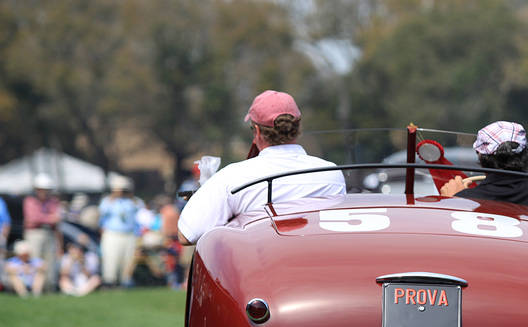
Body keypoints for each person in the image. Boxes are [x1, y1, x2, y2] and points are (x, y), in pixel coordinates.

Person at [178, 90, 346, 246]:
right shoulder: (331, 173)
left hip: (262, 273)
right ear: (297, 128)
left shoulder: (232, 177)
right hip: (318, 267)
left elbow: (186, 235)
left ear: (257, 131)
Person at [98, 175, 140, 287]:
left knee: (127, 260)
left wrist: (129, 196)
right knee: (111, 259)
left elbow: (139, 210)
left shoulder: (132, 201)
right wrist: (114, 196)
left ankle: (125, 281)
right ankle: (109, 282)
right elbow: (102, 212)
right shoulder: (108, 201)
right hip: (112, 233)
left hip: (129, 234)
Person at [23, 173, 63, 291]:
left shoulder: (53, 202)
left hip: (49, 233)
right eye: (41, 190)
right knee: (35, 260)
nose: (44, 192)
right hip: (34, 233)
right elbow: (33, 218)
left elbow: (57, 218)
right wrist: (49, 218)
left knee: (49, 261)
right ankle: (34, 288)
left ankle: (48, 288)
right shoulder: (29, 201)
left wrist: (48, 218)